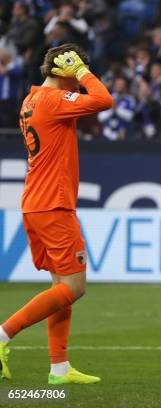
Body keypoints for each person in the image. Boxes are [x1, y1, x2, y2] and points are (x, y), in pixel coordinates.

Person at [0, 43, 113, 384]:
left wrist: (75, 72)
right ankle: (2, 335)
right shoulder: (52, 100)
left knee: (60, 286)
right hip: (53, 204)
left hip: (36, 202)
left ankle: (59, 369)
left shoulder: (31, 100)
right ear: (64, 72)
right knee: (74, 288)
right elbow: (104, 100)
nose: (78, 87)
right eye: (75, 77)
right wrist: (82, 72)